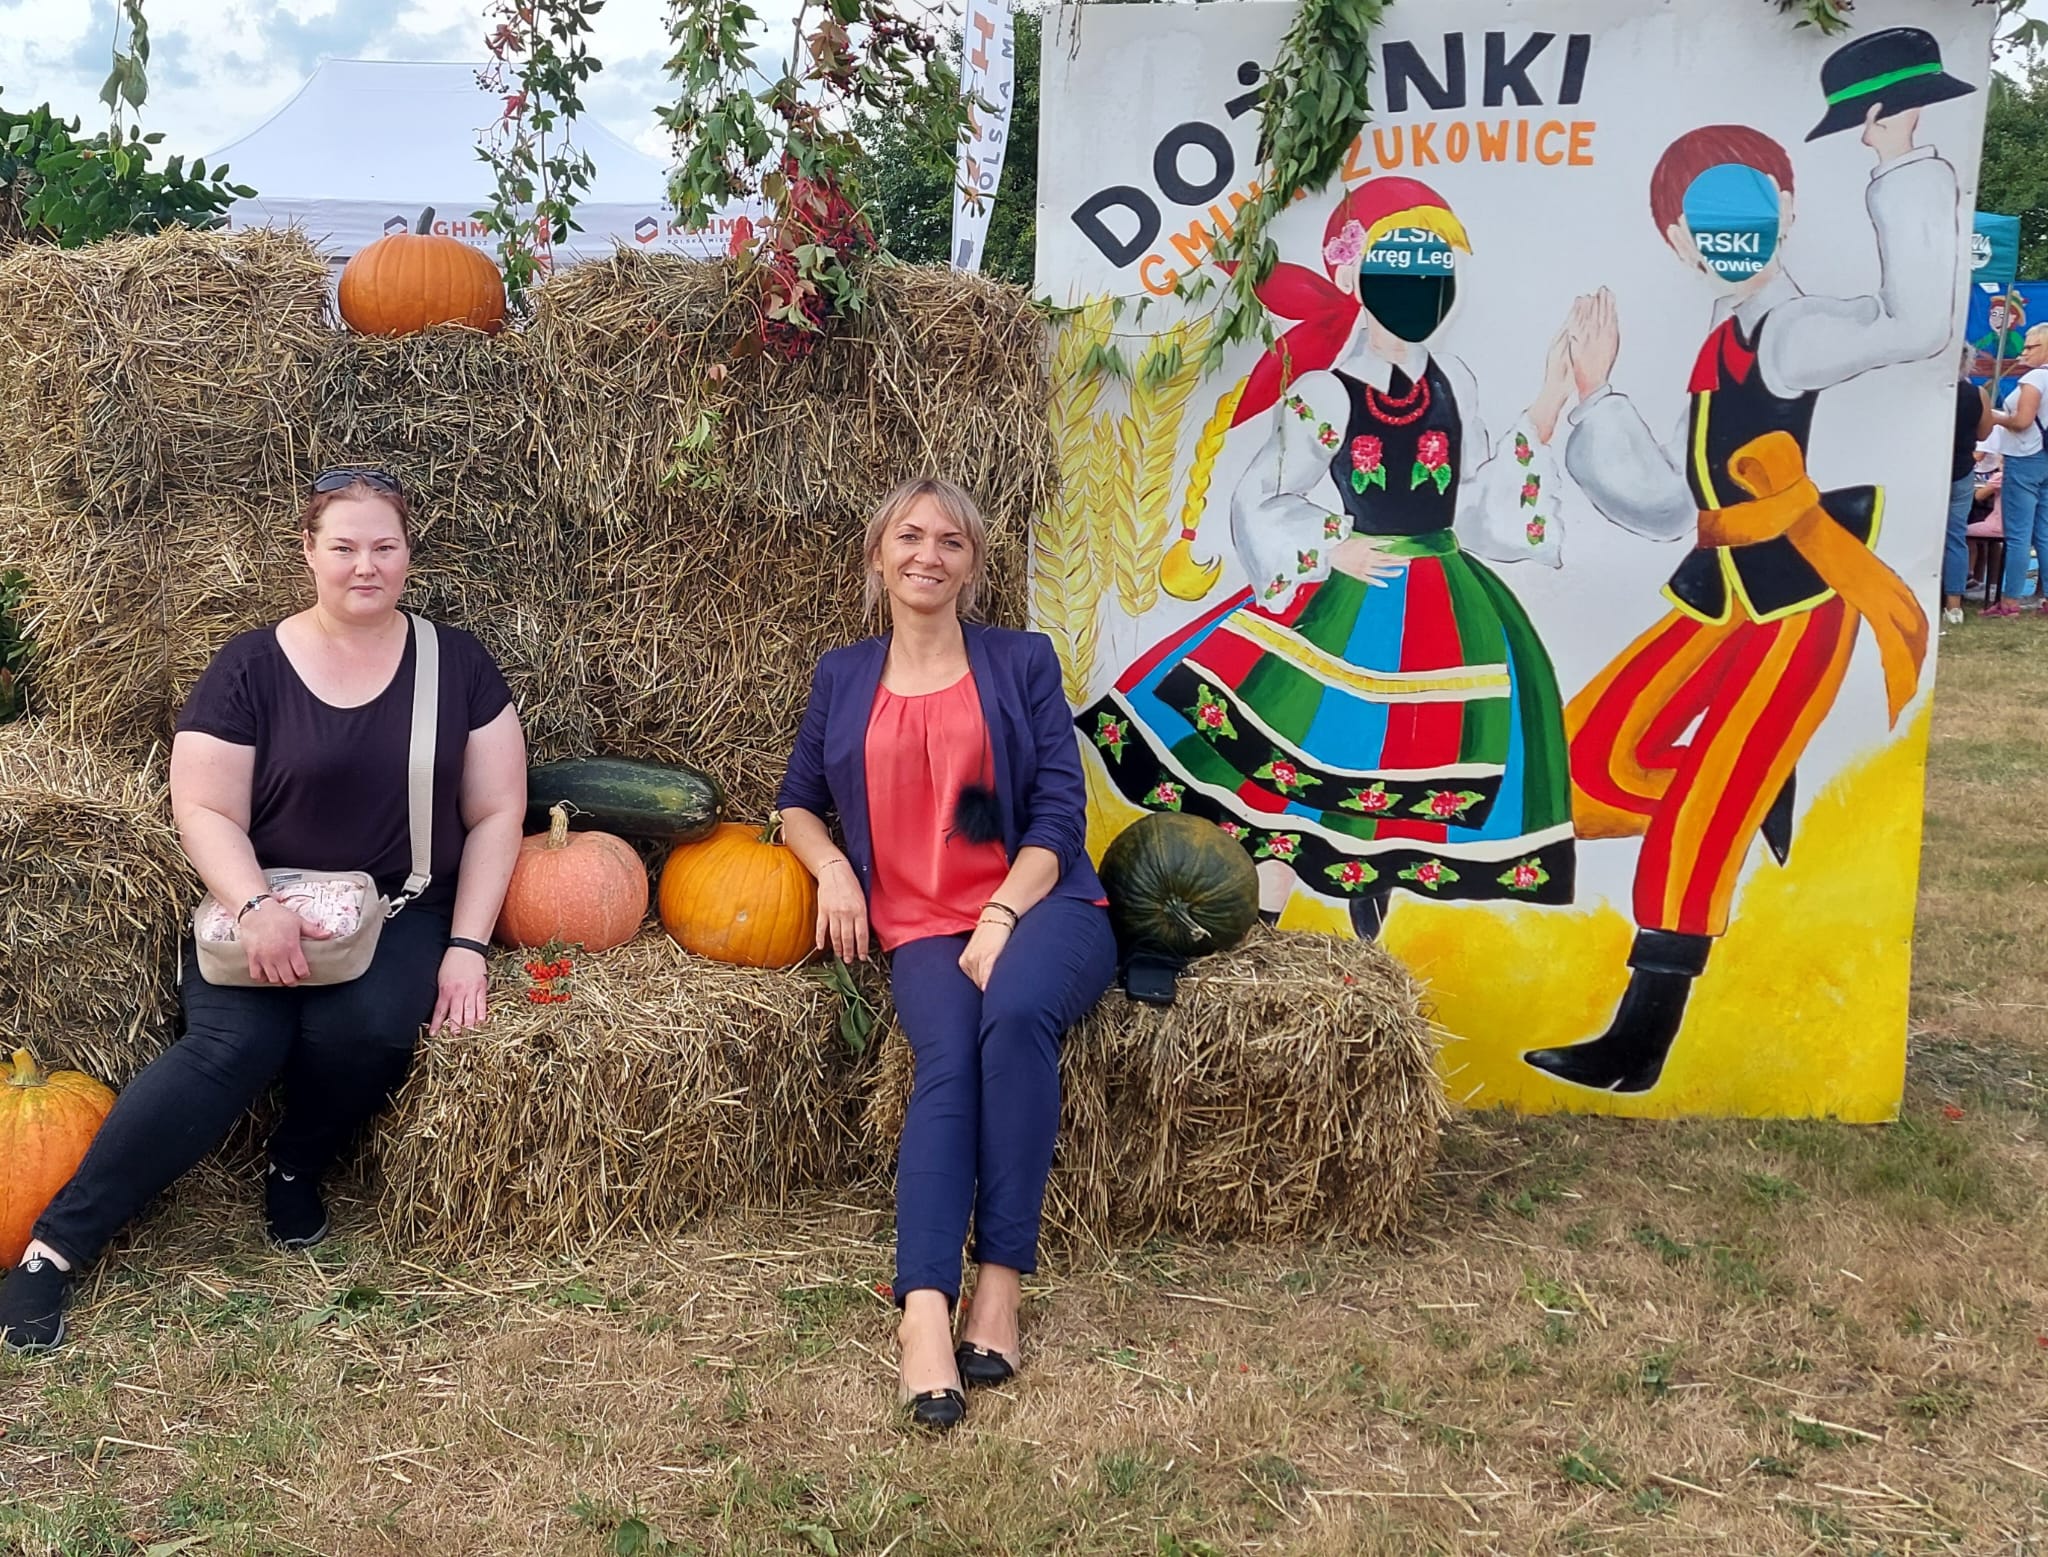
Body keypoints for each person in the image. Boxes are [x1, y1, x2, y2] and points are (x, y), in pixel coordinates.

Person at [0, 470, 527, 1353]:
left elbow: (499, 810)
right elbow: (204, 807)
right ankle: (52, 1251)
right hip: (262, 896)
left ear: (409, 554)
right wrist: (254, 905)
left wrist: (468, 944)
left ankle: (295, 1165)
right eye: (344, 546)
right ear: (308, 553)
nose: (366, 565)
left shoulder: (457, 664)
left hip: (398, 905)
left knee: (364, 1028)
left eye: (385, 546)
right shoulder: (250, 666)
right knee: (229, 1048)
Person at [1528, 95, 1956, 1093]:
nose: (1722, 232)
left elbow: (1914, 322)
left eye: (1746, 205)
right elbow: (1669, 505)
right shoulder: (1722, 339)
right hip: (1718, 595)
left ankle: (1640, 1040)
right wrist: (1593, 395)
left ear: (1786, 210)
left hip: (1795, 602)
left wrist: (1896, 157)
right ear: (1677, 241)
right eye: (1699, 218)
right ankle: (1745, 788)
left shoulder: (1788, 331)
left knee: (1700, 814)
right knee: (1584, 762)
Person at [1077, 177, 1594, 941]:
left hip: (1445, 600)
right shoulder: (1326, 392)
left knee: (1409, 758)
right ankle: (1258, 930)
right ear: (1357, 284)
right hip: (1351, 592)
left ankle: (1364, 929)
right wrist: (1331, 542)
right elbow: (1264, 492)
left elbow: (1476, 499)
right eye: (1396, 280)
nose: (1414, 298)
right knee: (1304, 759)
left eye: (1431, 283)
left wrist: (1551, 396)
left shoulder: (1457, 384)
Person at [777, 476, 1115, 1432]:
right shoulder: (843, 676)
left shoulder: (1021, 662)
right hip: (922, 924)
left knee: (1014, 1013)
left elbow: (1059, 816)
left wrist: (1002, 914)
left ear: (972, 567)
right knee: (946, 1060)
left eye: (951, 542)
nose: (929, 554)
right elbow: (796, 801)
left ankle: (999, 1282)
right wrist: (834, 870)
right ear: (878, 555)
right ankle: (924, 1308)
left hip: (1044, 903)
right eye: (911, 536)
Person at [1981, 322, 2048, 616]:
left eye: (2031, 346)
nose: (2025, 352)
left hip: (2024, 456)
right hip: (2044, 457)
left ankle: (2010, 600)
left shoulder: (2035, 378)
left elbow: (2021, 422)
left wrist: (1995, 417)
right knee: (2044, 532)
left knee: (2019, 534)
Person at [1946, 354, 1995, 624]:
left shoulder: (1925, 391)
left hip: (1928, 469)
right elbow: (1984, 433)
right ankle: (1954, 606)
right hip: (1963, 468)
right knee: (1956, 536)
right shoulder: (1978, 394)